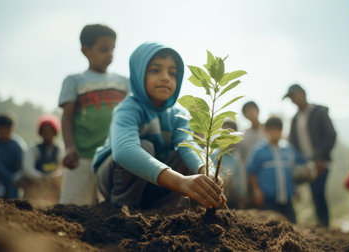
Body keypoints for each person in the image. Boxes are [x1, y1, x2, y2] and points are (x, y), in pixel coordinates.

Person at [93, 42, 225, 209]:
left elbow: (188, 145)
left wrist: (207, 171)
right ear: (139, 73)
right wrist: (181, 182)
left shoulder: (178, 115)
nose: (165, 77)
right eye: (155, 70)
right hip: (114, 180)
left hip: (153, 184)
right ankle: (123, 207)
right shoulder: (129, 108)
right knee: (144, 147)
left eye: (172, 73)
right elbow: (124, 151)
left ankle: (164, 208)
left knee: (183, 150)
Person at [58, 24, 130, 206]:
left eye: (113, 49)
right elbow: (67, 116)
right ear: (85, 50)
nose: (110, 54)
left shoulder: (123, 83)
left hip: (113, 159)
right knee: (72, 209)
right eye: (104, 49)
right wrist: (69, 147)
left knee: (109, 210)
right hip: (82, 158)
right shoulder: (75, 80)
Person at [283, 83, 337, 227]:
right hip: (305, 164)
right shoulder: (295, 119)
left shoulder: (319, 112)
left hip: (321, 162)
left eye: (294, 96)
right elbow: (293, 144)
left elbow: (330, 136)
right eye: (291, 99)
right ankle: (321, 222)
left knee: (319, 192)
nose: (293, 100)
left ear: (303, 94)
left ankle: (324, 223)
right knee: (314, 193)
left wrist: (319, 157)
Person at [246, 116, 310, 223]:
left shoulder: (288, 149)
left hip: (287, 200)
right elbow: (251, 172)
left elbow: (295, 168)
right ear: (265, 131)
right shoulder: (259, 151)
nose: (275, 133)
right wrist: (256, 191)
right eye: (271, 130)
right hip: (268, 201)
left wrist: (296, 189)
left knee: (292, 226)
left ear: (281, 131)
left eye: (277, 130)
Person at [22, 114, 63, 204]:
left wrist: (55, 176)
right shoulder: (33, 148)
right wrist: (42, 177)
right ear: (40, 133)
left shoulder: (60, 149)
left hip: (54, 183)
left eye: (50, 131)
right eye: (45, 131)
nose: (48, 134)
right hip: (36, 182)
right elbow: (28, 168)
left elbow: (62, 167)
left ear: (55, 132)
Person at [212, 120, 247, 209]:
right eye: (225, 132)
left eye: (231, 133)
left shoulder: (236, 158)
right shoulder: (213, 155)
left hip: (231, 200)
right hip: (213, 197)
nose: (227, 135)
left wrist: (241, 197)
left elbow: (240, 179)